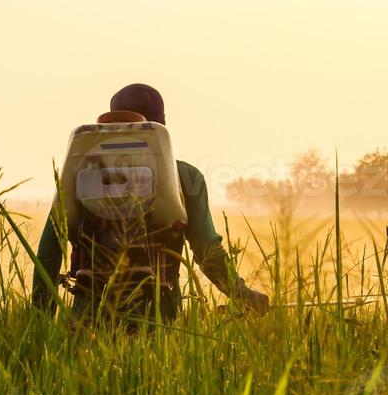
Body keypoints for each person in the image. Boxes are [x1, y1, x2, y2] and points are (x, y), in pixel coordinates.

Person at [31, 83, 270, 319]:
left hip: (86, 324)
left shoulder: (78, 177)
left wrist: (40, 320)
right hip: (162, 322)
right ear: (159, 126)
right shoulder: (186, 177)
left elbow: (48, 255)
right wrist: (244, 296)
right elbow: (208, 252)